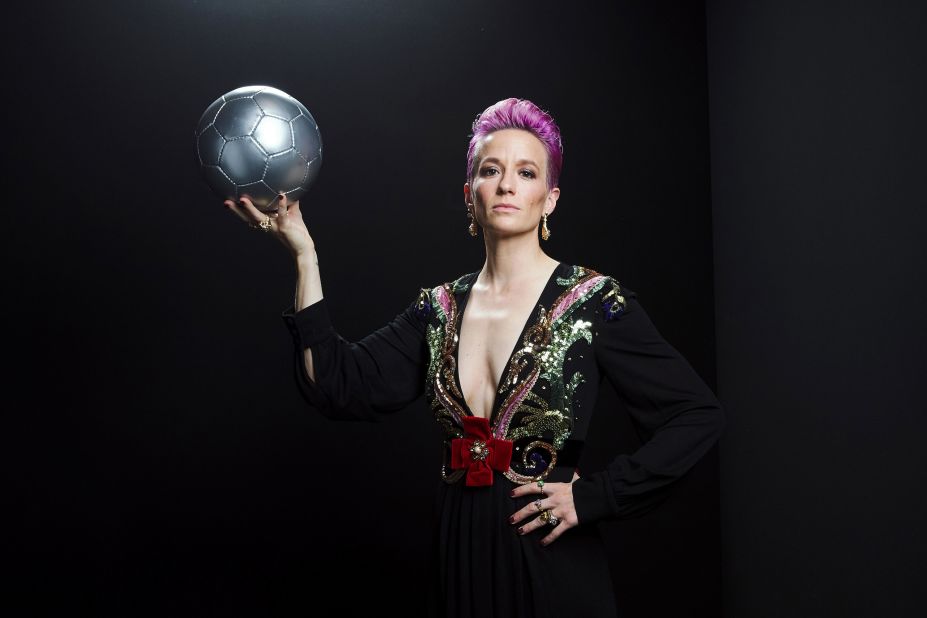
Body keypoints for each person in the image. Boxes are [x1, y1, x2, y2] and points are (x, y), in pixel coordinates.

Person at [224, 97, 725, 617]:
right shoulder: (438, 308)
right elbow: (335, 384)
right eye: (492, 170)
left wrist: (594, 497)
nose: (508, 185)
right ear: (470, 194)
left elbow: (696, 415)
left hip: (551, 556)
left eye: (526, 173)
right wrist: (305, 255)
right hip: (460, 549)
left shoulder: (592, 301)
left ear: (549, 198)